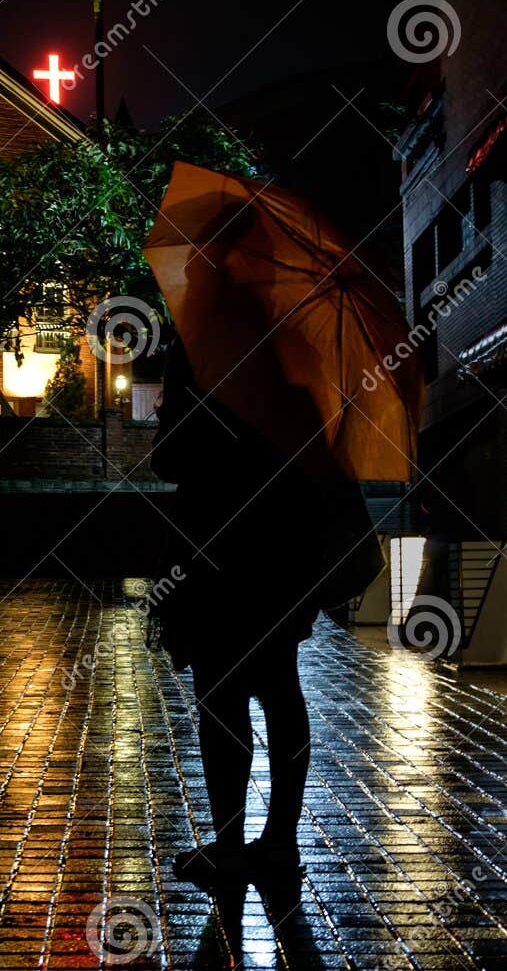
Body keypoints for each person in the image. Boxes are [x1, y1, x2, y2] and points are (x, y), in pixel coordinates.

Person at [151, 340, 379, 886]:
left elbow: (170, 458)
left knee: (220, 695)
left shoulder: (201, 345)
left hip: (216, 551)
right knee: (280, 687)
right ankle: (280, 840)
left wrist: (173, 412)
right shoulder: (296, 352)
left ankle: (229, 844)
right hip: (284, 548)